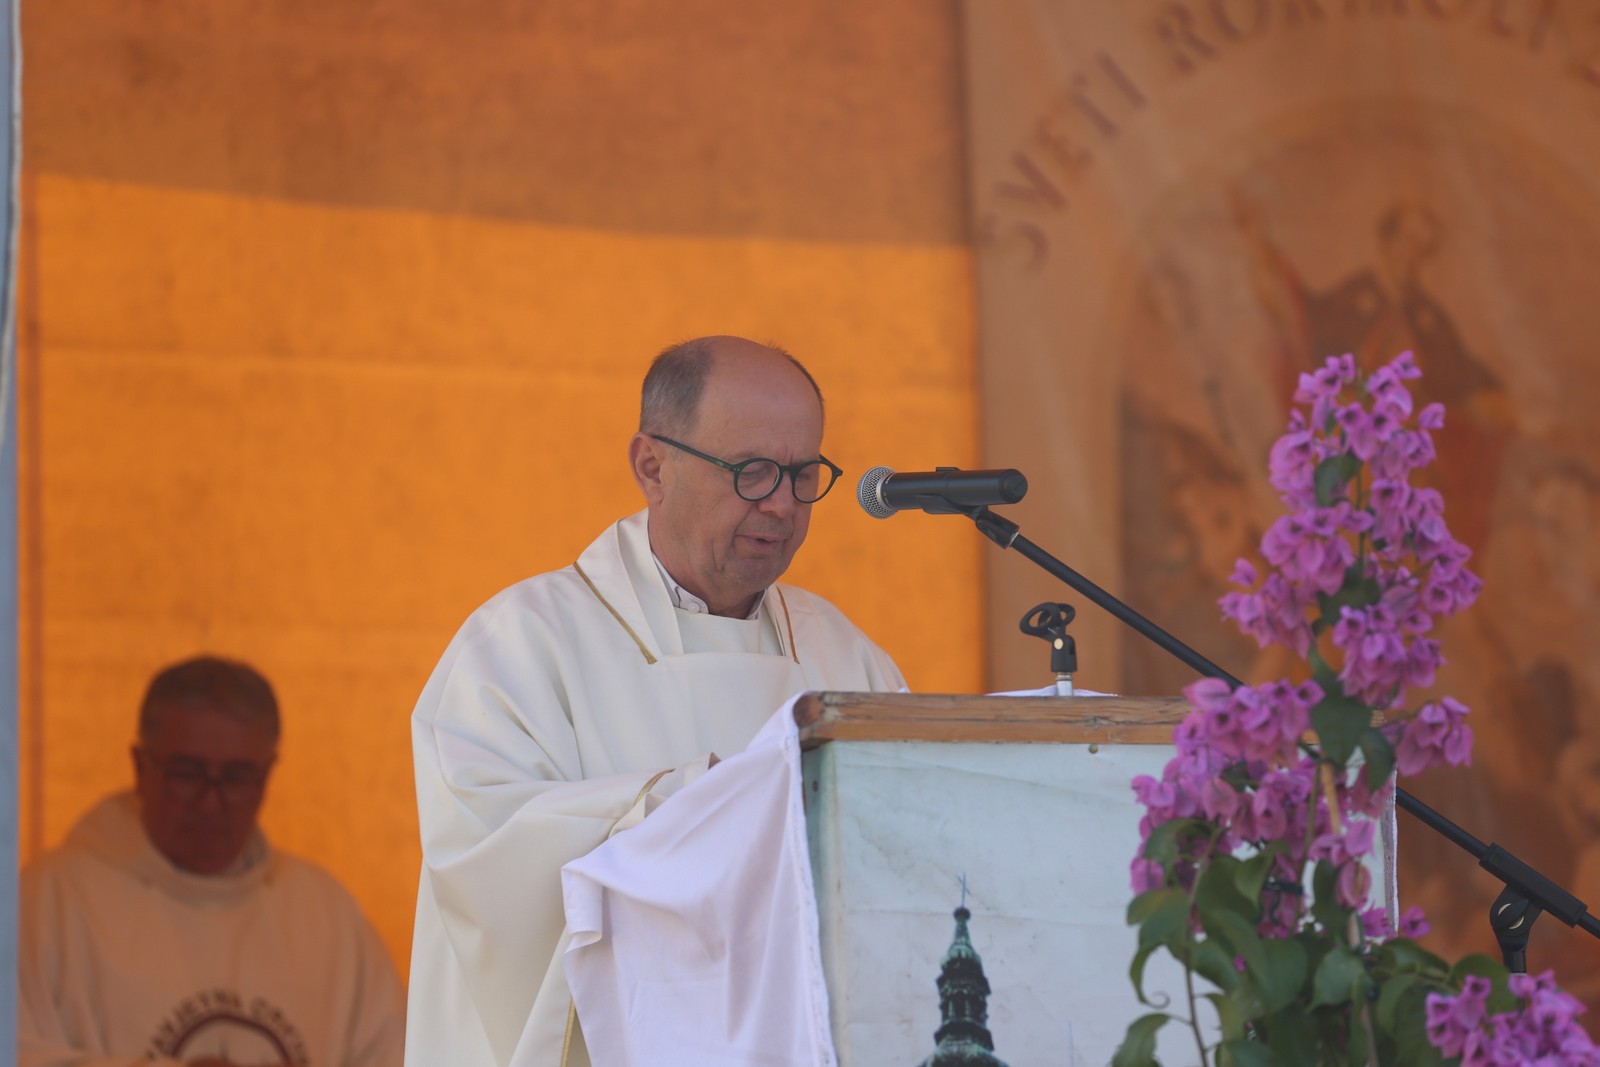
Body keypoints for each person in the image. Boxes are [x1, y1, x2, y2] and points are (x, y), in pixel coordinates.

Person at [406, 336, 906, 1066]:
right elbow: (487, 861)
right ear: (652, 466)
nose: (781, 503)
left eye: (804, 475)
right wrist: (715, 800)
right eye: (752, 471)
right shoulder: (522, 643)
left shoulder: (848, 660)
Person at [18, 656, 407, 1067]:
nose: (209, 802)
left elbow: (397, 1054)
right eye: (187, 773)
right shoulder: (46, 905)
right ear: (140, 766)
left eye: (236, 777)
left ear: (268, 775)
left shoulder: (325, 914)